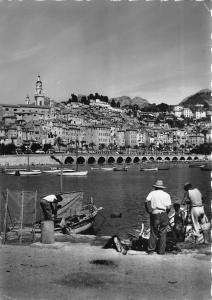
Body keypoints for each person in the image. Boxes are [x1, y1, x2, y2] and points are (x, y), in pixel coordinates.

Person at [145, 179, 171, 255]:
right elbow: (169, 207)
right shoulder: (167, 195)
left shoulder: (152, 193)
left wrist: (148, 211)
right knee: (163, 233)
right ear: (162, 187)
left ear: (155, 187)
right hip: (164, 213)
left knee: (153, 232)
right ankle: (161, 251)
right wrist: (166, 214)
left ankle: (151, 250)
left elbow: (146, 202)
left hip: (155, 213)